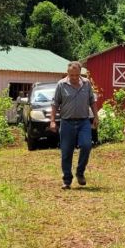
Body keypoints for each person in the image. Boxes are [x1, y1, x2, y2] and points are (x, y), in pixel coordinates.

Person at [49, 61, 98, 189]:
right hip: (67, 122)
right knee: (66, 152)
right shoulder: (61, 85)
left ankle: (80, 172)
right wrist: (52, 121)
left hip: (84, 122)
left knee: (87, 145)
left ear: (80, 73)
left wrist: (96, 117)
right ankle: (67, 180)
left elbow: (92, 101)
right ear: (68, 73)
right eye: (72, 75)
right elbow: (55, 104)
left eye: (77, 75)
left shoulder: (87, 84)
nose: (74, 78)